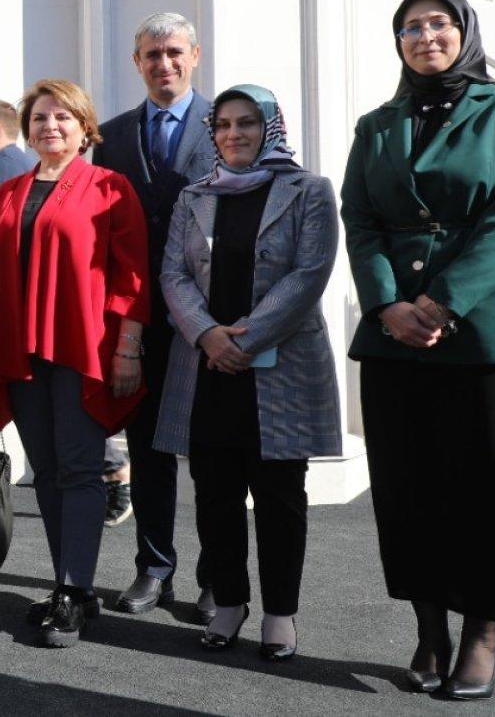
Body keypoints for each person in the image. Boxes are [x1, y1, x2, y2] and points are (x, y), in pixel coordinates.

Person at [341, 0, 495, 701]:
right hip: (395, 338)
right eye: (409, 28)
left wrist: (443, 301)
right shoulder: (377, 124)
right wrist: (387, 303)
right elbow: (362, 220)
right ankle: (430, 629)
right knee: (410, 487)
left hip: (482, 333)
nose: (424, 37)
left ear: (464, 32)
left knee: (484, 489)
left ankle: (481, 635)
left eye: (437, 23)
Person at [155, 84, 340, 662]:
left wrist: (245, 338)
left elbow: (309, 274)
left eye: (247, 123)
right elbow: (173, 276)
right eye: (224, 125)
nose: (234, 134)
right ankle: (230, 601)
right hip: (208, 366)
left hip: (278, 367)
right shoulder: (195, 196)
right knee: (215, 492)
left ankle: (280, 613)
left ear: (271, 127)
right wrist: (208, 335)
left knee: (281, 495)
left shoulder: (308, 190)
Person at [0, 78, 147, 647]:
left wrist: (128, 346)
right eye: (41, 117)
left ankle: (75, 591)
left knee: (78, 468)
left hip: (80, 347)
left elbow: (133, 277)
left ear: (83, 127)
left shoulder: (109, 187)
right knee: (45, 471)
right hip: (19, 349)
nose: (51, 126)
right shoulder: (8, 192)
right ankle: (68, 584)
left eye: (63, 117)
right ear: (26, 128)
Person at [90, 12, 217, 619]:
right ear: (136, 63)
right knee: (149, 448)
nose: (163, 64)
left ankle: (219, 573)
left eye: (173, 53)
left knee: (216, 453)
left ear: (194, 55)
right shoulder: (112, 136)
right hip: (140, 320)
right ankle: (153, 569)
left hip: (211, 319)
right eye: (151, 55)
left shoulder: (230, 125)